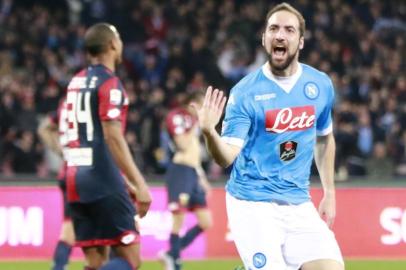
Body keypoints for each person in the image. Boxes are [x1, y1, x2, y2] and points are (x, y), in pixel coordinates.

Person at [191, 3, 344, 270]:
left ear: (301, 41)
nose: (280, 35)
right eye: (273, 28)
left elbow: (324, 138)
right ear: (264, 39)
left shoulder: (320, 85)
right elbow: (225, 157)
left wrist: (329, 192)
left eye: (289, 29)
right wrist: (209, 133)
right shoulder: (245, 92)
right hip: (252, 203)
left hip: (298, 202)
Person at [64, 23, 152, 270]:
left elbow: (85, 137)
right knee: (129, 260)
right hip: (101, 179)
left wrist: (122, 181)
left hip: (75, 179)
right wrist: (140, 183)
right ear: (113, 44)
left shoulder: (76, 82)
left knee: (95, 261)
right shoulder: (110, 83)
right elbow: (112, 137)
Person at [159, 91, 213, 270]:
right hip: (180, 172)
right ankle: (174, 262)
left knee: (206, 221)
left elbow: (194, 155)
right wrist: (196, 124)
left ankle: (171, 252)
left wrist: (202, 177)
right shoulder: (179, 118)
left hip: (193, 173)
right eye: (201, 104)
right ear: (192, 104)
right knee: (178, 219)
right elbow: (182, 146)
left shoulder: (194, 125)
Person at [38, 99, 75, 270]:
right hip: (89, 172)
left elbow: (44, 128)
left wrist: (61, 150)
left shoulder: (66, 105)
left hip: (67, 172)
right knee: (107, 227)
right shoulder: (92, 101)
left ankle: (59, 266)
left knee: (69, 227)